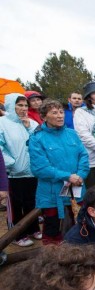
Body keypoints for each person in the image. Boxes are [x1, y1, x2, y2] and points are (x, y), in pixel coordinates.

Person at [29, 99, 89, 245]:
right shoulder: (37, 139)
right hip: (52, 192)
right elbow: (40, 168)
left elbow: (83, 155)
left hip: (76, 185)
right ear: (44, 117)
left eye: (61, 112)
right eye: (54, 112)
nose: (60, 116)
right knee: (53, 228)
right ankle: (53, 261)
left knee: (80, 219)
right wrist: (67, 176)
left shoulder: (72, 133)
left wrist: (80, 174)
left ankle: (77, 252)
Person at [0, 93, 40, 246]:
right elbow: (0, 148)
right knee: (16, 205)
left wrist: (29, 128)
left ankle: (33, 228)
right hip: (13, 173)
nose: (24, 109)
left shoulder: (31, 123)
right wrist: (11, 163)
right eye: (20, 105)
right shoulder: (2, 123)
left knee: (32, 202)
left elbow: (37, 142)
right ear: (11, 106)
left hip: (32, 171)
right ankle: (16, 235)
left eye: (25, 105)